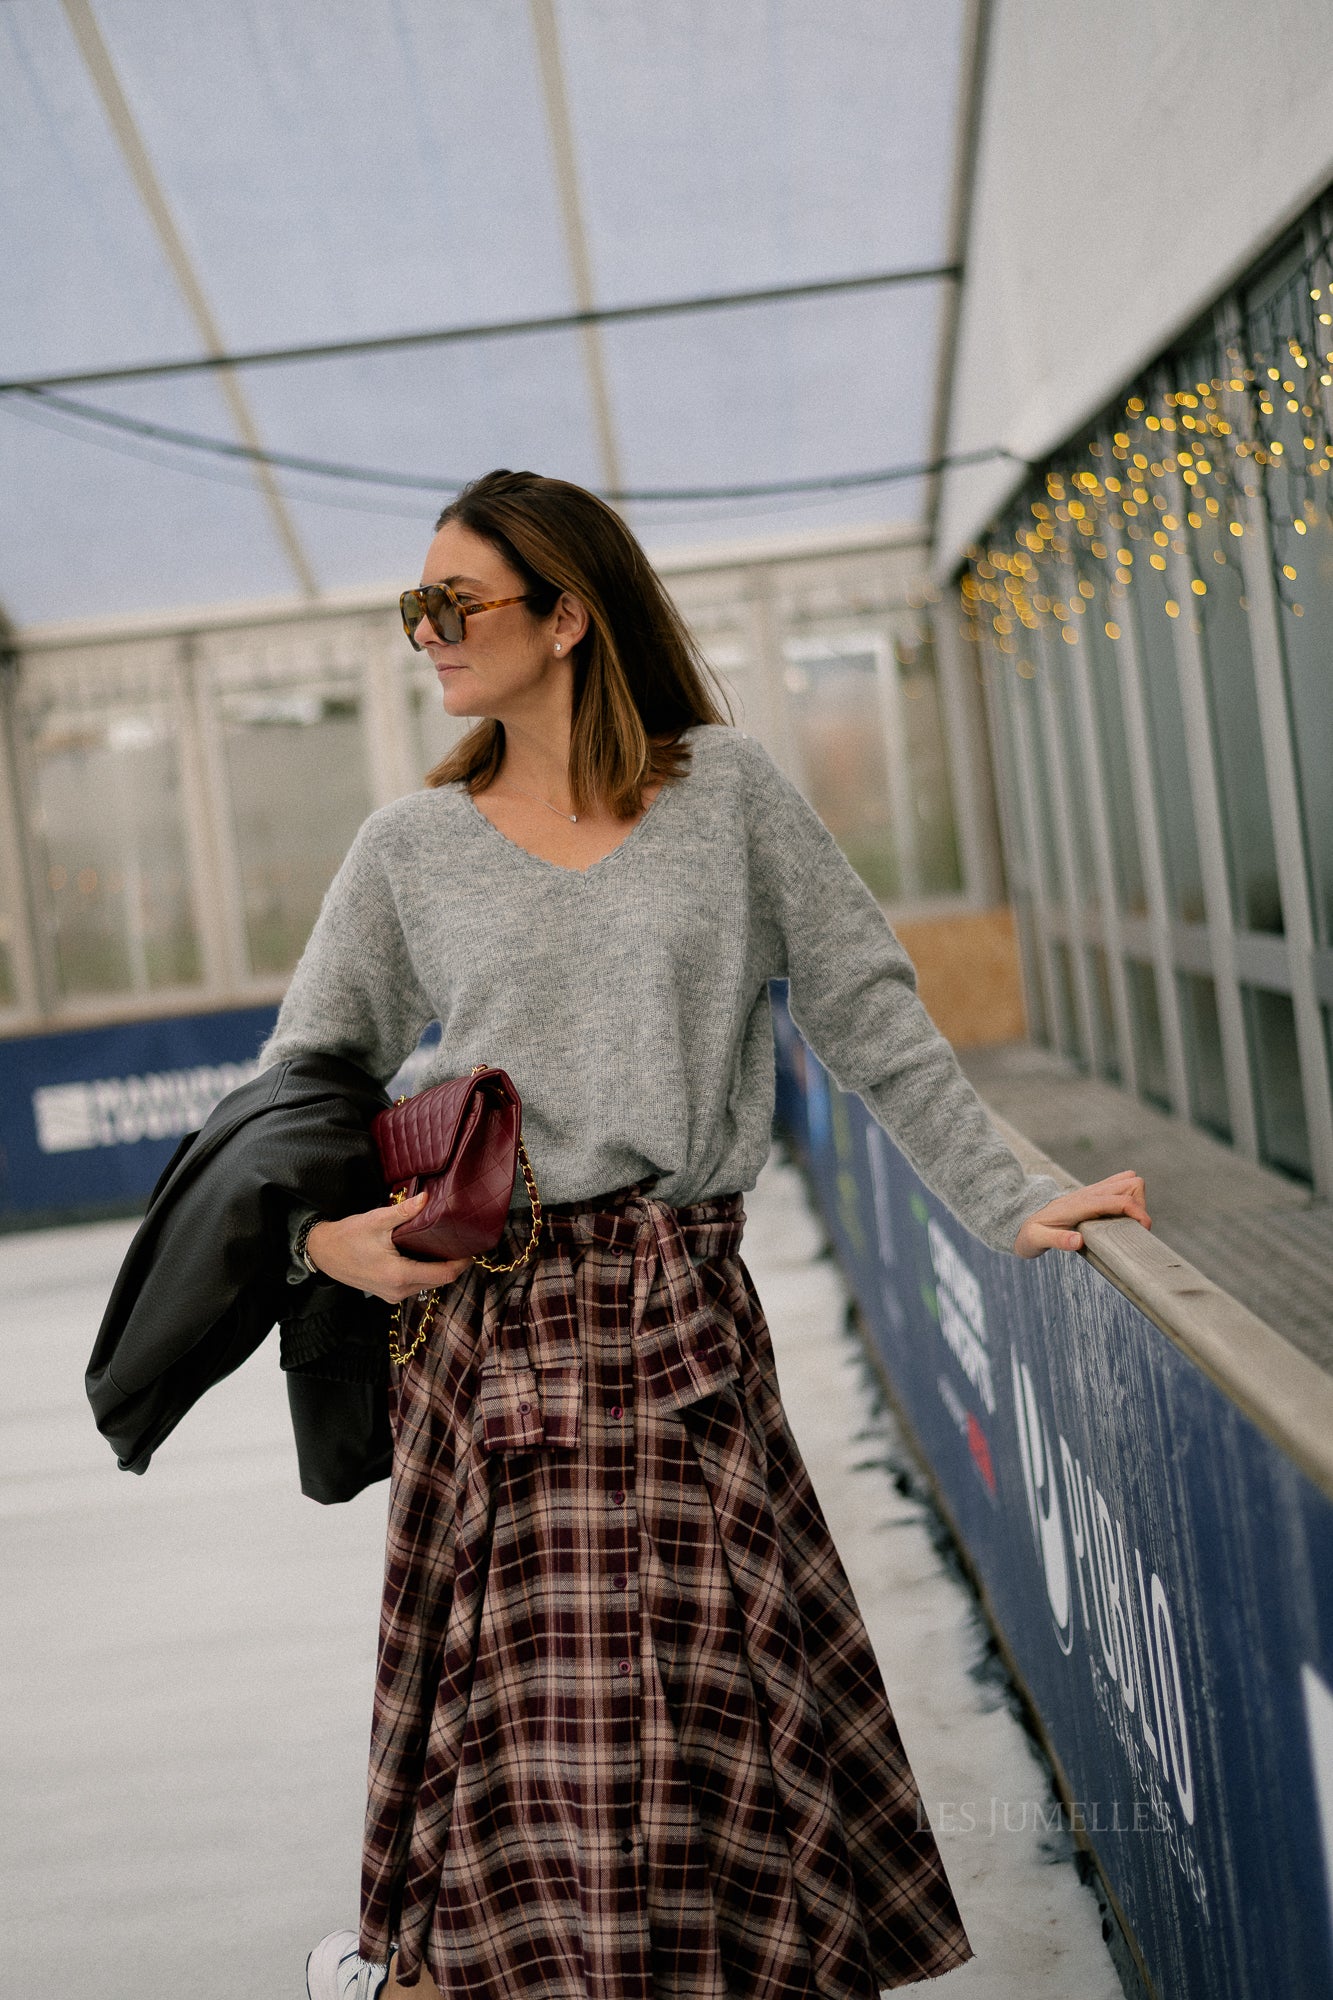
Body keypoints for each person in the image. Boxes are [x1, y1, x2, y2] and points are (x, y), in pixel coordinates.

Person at [269, 469, 1152, 2000]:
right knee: (521, 1771)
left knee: (702, 1760)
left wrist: (1007, 1195)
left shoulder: (727, 795)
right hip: (491, 1364)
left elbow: (866, 1014)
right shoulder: (407, 848)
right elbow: (295, 1091)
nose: (426, 634)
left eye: (453, 604)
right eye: (413, 607)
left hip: (681, 1344)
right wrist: (329, 1246)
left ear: (568, 615)